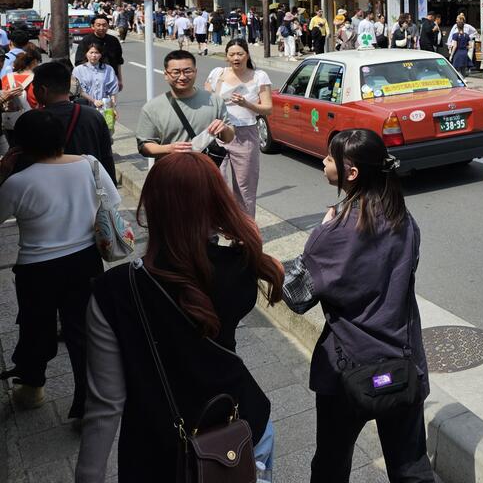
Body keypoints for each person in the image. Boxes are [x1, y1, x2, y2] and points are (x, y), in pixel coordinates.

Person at [76, 152, 283, 483]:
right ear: (216, 203)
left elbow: (106, 403)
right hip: (242, 429)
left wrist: (88, 474)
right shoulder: (242, 268)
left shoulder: (114, 291)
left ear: (153, 207)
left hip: (159, 451)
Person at [287, 130, 435, 482]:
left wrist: (314, 239)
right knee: (411, 467)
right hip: (403, 360)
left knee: (331, 464)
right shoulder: (404, 220)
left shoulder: (333, 232)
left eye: (328, 158)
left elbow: (296, 296)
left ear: (351, 172)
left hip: (347, 367)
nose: (323, 163)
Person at [0, 110, 118, 416]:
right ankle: (86, 404)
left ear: (20, 145)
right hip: (86, 260)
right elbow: (113, 203)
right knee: (83, 333)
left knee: (35, 327)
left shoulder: (17, 182)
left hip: (37, 268)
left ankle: (32, 388)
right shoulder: (90, 164)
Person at [205, 39, 273, 216]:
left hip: (246, 134)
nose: (236, 58)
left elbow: (268, 108)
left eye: (240, 54)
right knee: (215, 184)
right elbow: (204, 101)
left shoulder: (259, 76)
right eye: (232, 54)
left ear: (247, 55)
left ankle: (243, 235)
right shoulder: (217, 73)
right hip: (218, 133)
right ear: (226, 56)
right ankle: (215, 229)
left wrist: (246, 104)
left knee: (245, 187)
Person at [136, 50, 236, 158]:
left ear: (195, 72)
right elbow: (144, 146)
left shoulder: (215, 101)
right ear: (166, 74)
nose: (182, 77)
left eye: (188, 71)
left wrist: (224, 128)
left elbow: (229, 138)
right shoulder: (152, 108)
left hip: (206, 170)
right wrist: (169, 149)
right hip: (170, 170)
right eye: (176, 72)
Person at [30, 61, 116, 179]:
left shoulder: (31, 120)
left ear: (43, 90)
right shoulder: (94, 116)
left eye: (33, 86)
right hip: (88, 185)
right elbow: (107, 158)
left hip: (47, 187)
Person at [0, 46, 42, 156]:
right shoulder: (37, 79)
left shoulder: (6, 78)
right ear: (34, 62)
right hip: (30, 123)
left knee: (10, 154)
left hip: (8, 124)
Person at [74, 43, 120, 133]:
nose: (94, 55)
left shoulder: (108, 69)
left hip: (105, 108)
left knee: (106, 135)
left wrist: (114, 108)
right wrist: (94, 101)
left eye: (97, 52)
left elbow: (113, 91)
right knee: (88, 134)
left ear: (101, 54)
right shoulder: (78, 70)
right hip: (85, 108)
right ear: (86, 54)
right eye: (91, 52)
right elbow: (79, 90)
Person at [73, 14, 125, 91]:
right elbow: (79, 62)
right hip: (91, 81)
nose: (101, 28)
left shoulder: (114, 40)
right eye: (98, 25)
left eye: (104, 25)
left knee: (111, 102)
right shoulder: (86, 40)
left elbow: (118, 61)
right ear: (93, 26)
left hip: (110, 79)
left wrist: (119, 80)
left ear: (108, 26)